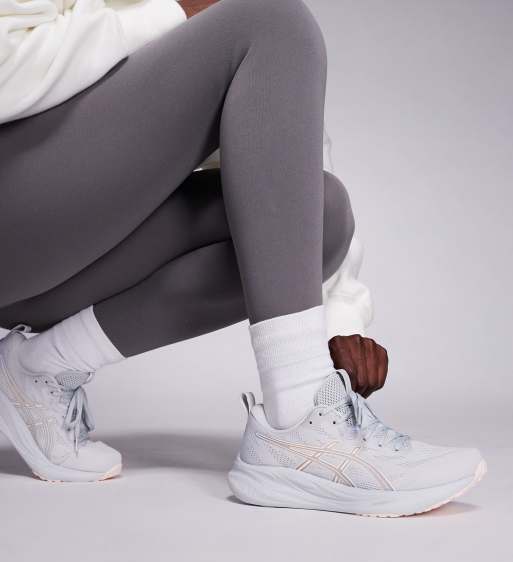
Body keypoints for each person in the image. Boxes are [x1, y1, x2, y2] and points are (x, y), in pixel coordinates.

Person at [0, 0, 485, 515]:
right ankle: (297, 426)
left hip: (56, 256)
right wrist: (173, 13)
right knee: (271, 21)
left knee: (325, 216)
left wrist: (337, 317)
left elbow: (279, 145)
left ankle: (42, 365)